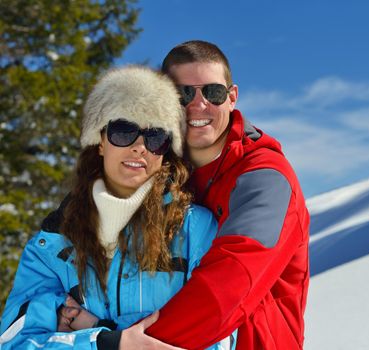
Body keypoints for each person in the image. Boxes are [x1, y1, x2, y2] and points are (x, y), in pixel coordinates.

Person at [0, 66, 235, 350]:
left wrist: (96, 330)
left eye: (155, 137)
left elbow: (217, 340)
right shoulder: (53, 241)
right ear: (100, 141)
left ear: (165, 149)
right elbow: (14, 343)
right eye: (124, 131)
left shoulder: (196, 229)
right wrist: (107, 342)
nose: (139, 148)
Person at [141, 40, 310, 349]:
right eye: (184, 94)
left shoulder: (266, 178)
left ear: (232, 98)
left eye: (213, 93)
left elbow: (230, 286)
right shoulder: (149, 170)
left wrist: (128, 343)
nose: (198, 105)